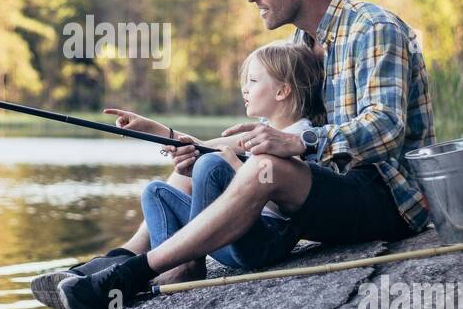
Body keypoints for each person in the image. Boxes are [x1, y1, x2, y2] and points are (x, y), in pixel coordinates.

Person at [32, 0, 435, 309]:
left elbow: (385, 128)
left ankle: (135, 273)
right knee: (193, 168)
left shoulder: (372, 29)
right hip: (331, 183)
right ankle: (115, 259)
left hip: (388, 198)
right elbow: (283, 131)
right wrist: (179, 139)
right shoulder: (303, 44)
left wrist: (299, 143)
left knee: (265, 168)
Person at [137, 40, 324, 281]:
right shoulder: (260, 130)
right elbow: (203, 146)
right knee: (155, 192)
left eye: (253, 81)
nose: (245, 88)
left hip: (264, 241)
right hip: (225, 240)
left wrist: (236, 168)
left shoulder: (298, 136)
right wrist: (153, 129)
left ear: (282, 91)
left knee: (211, 165)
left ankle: (188, 260)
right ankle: (177, 266)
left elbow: (288, 205)